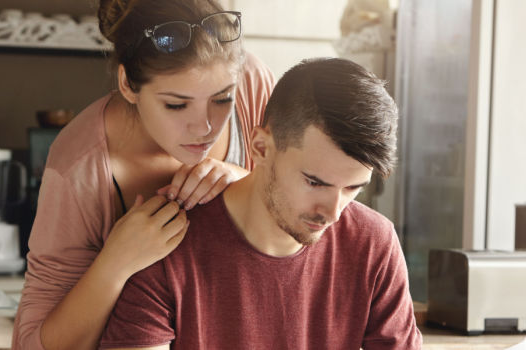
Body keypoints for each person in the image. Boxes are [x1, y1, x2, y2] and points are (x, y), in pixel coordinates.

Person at [99, 58, 422, 349]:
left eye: (353, 188)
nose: (334, 212)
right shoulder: (165, 245)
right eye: (314, 182)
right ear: (261, 148)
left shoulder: (373, 243)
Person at [12, 0, 275, 348]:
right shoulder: (79, 167)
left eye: (222, 98)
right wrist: (116, 263)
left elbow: (308, 213)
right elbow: (31, 343)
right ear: (128, 85)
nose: (206, 127)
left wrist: (248, 183)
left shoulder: (253, 83)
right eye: (176, 104)